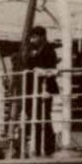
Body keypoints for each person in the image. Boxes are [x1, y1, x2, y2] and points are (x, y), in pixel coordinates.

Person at [25, 26, 60, 155]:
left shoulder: (49, 50)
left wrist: (35, 62)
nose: (32, 40)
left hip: (44, 87)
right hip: (34, 87)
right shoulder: (33, 49)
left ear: (42, 36)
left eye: (34, 37)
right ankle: (39, 145)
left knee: (43, 116)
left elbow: (48, 65)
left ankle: (46, 146)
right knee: (36, 116)